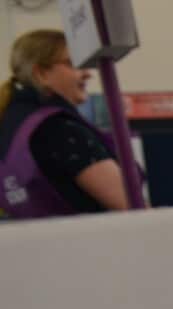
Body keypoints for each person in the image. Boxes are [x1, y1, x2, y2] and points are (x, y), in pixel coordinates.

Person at [0, 29, 128, 219]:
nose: (87, 73)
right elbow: (130, 203)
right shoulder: (58, 129)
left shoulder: (13, 122)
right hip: (84, 243)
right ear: (42, 73)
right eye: (74, 64)